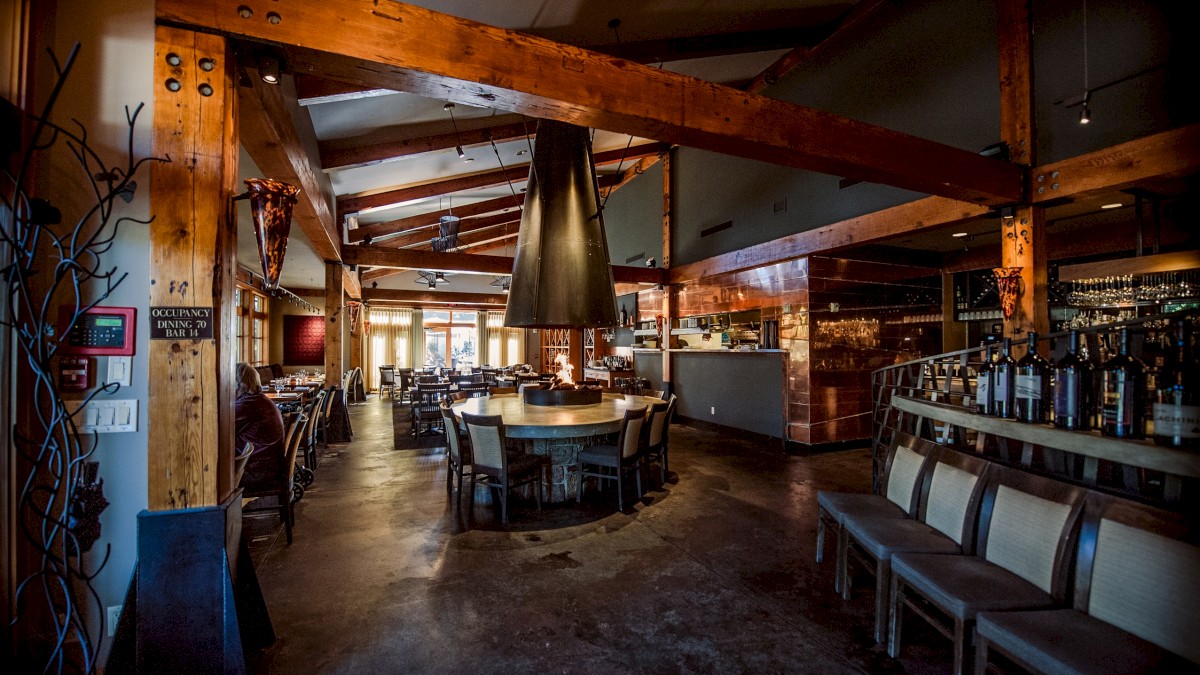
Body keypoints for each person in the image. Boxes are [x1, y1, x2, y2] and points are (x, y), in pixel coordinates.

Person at [235, 362, 287, 490]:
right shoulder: (259, 400)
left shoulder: (247, 406)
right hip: (270, 465)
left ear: (238, 384)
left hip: (257, 471)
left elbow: (219, 432)